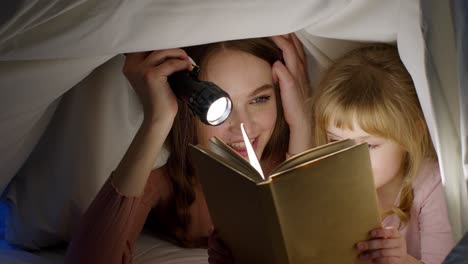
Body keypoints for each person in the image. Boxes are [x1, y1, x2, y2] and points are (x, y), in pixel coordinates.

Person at [64, 34, 313, 264]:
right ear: (191, 110)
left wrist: (302, 124)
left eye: (259, 99)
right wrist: (157, 119)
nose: (243, 126)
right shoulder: (167, 179)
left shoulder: (285, 160)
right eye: (221, 105)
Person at [312, 44, 454, 263]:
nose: (349, 161)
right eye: (336, 141)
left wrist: (403, 260)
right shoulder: (332, 183)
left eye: (368, 146)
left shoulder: (431, 185)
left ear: (411, 135)